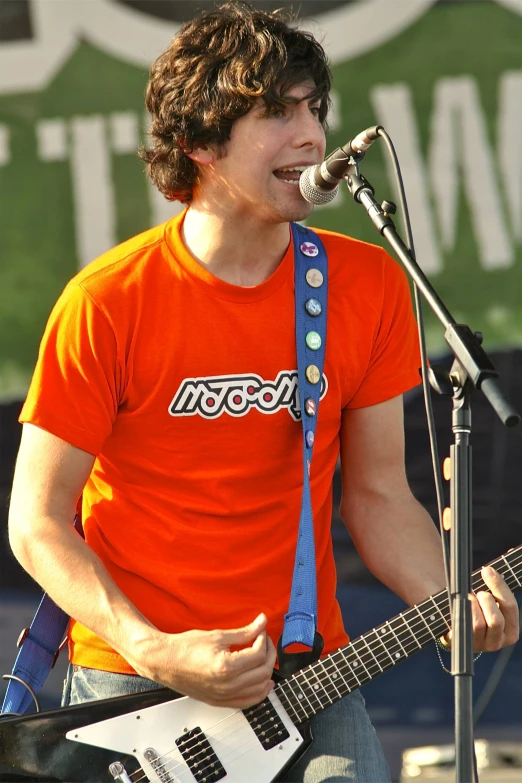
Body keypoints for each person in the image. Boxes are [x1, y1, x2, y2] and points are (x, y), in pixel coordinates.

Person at [8, 3, 519, 782]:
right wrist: (157, 648)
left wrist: (445, 602)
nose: (312, 135)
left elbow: (379, 494)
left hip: (306, 673)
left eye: (314, 108)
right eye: (276, 113)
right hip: (134, 682)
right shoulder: (107, 301)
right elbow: (37, 523)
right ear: (199, 143)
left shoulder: (366, 283)